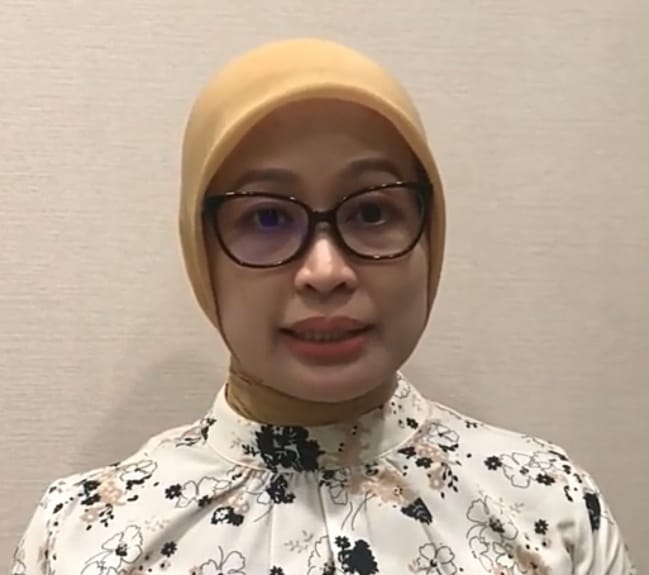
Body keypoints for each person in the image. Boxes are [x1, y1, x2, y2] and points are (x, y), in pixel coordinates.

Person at [11, 37, 636, 575]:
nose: (326, 272)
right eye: (266, 217)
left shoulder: (548, 507)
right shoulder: (85, 536)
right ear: (201, 252)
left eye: (373, 211)